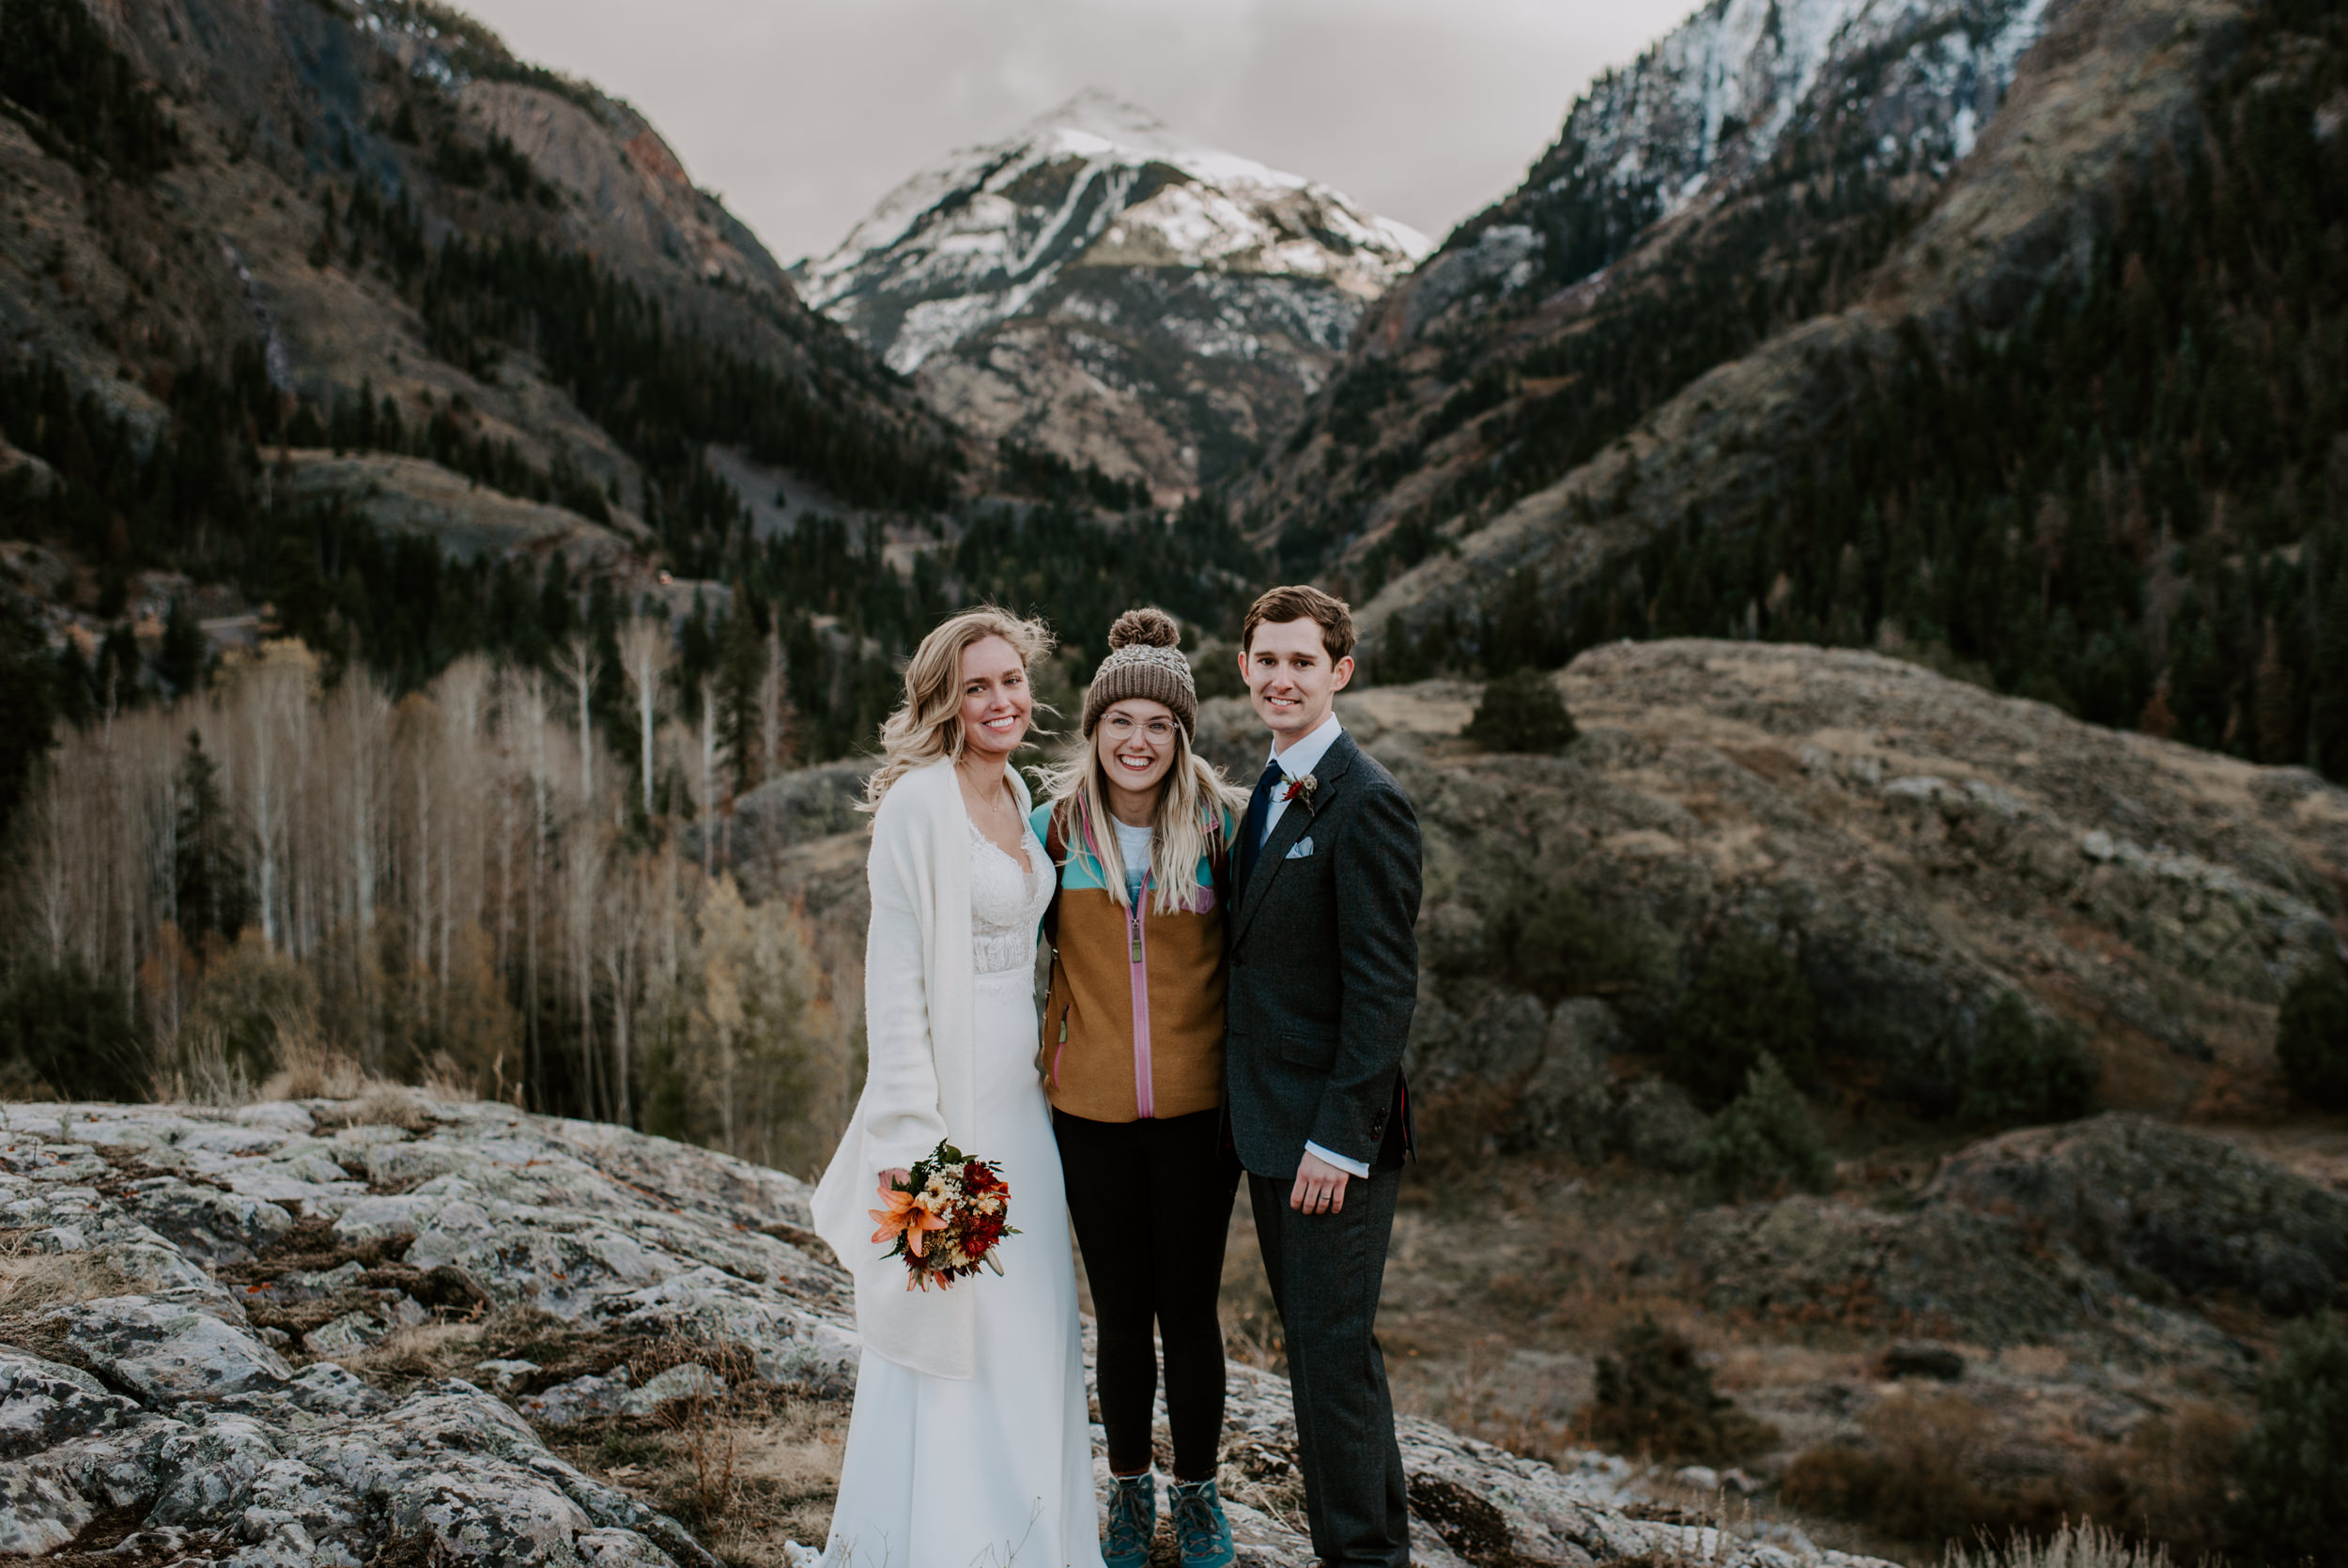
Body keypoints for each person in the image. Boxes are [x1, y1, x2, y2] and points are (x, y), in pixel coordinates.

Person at [811, 606, 1105, 1568]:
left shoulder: (1020, 794)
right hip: (947, 1113)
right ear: (944, 698)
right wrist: (919, 1151)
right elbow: (893, 992)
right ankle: (942, 1540)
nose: (1001, 700)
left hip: (1023, 1103)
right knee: (944, 1318)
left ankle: (1028, 1535)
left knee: (1027, 1327)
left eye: (1012, 679)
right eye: (977, 685)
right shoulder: (917, 806)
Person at [1032, 607, 1247, 1568]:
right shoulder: (1049, 831)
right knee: (1120, 1315)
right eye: (1121, 719)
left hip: (1200, 1116)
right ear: (1094, 727)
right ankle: (1127, 1491)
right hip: (1090, 1117)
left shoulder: (1221, 825)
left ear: (1182, 733)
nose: (1138, 740)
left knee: (1189, 1310)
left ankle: (1197, 1496)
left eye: (1159, 724)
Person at [1223, 584, 1421, 1568]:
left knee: (1331, 1355)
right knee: (1327, 1348)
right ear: (1245, 667)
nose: (1281, 677)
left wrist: (1339, 1139)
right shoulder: (1264, 785)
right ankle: (1378, 1546)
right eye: (1266, 659)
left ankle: (1363, 1557)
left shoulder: (1367, 800)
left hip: (1328, 1141)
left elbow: (1382, 995)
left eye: (1302, 661)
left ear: (1340, 670)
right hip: (1269, 1124)